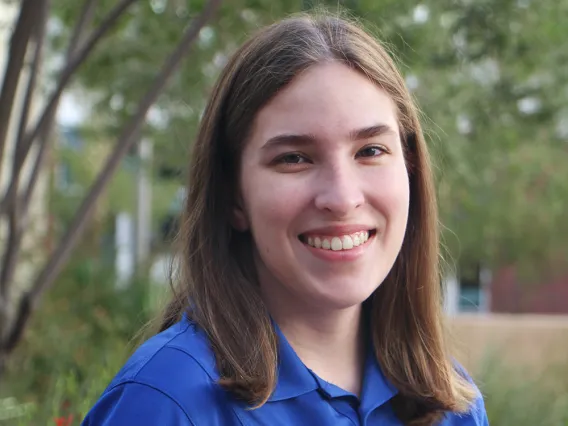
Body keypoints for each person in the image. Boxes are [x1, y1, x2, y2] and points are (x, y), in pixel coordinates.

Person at [82, 11, 489, 426]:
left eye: (370, 151)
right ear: (233, 197)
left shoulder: (450, 406)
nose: (343, 198)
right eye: (294, 158)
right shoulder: (168, 402)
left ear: (411, 168)